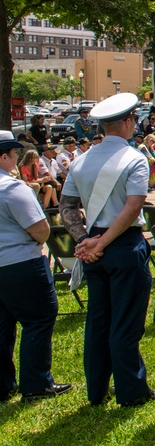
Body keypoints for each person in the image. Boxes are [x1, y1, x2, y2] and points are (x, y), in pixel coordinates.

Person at [59, 93, 155, 407]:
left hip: (92, 245)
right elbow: (133, 208)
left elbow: (67, 208)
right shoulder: (134, 159)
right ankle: (131, 391)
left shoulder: (80, 161)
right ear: (129, 121)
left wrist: (85, 241)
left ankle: (96, 391)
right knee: (126, 322)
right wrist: (102, 243)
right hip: (122, 244)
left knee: (98, 321)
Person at [0, 130, 69, 402]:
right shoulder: (12, 188)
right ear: (3, 156)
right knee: (38, 319)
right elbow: (41, 229)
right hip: (20, 261)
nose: (17, 160)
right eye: (15, 155)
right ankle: (37, 383)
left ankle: (3, 384)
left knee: (2, 325)